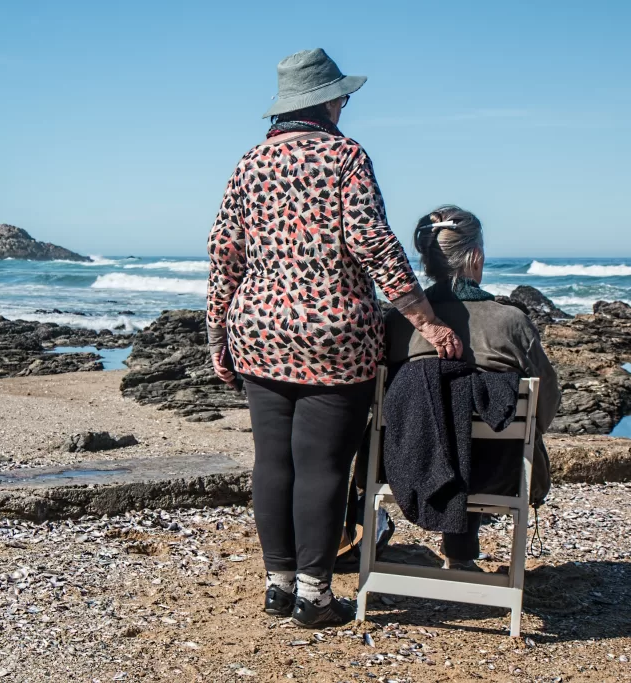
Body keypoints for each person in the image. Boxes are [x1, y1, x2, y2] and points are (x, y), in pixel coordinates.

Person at [206, 48, 464, 627]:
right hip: (335, 334)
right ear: (326, 100)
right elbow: (373, 243)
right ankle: (314, 595)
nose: (345, 105)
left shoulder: (250, 162)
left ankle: (277, 585)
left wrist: (217, 334)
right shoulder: (345, 156)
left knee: (272, 461)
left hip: (260, 328)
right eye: (342, 96)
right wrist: (426, 319)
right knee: (322, 465)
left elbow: (224, 253)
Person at [382, 205, 561, 570]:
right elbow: (546, 404)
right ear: (475, 256)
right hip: (498, 473)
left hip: (406, 467)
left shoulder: (398, 323)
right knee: (478, 432)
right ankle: (461, 557)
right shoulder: (511, 321)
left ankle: (451, 556)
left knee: (442, 421)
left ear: (427, 261)